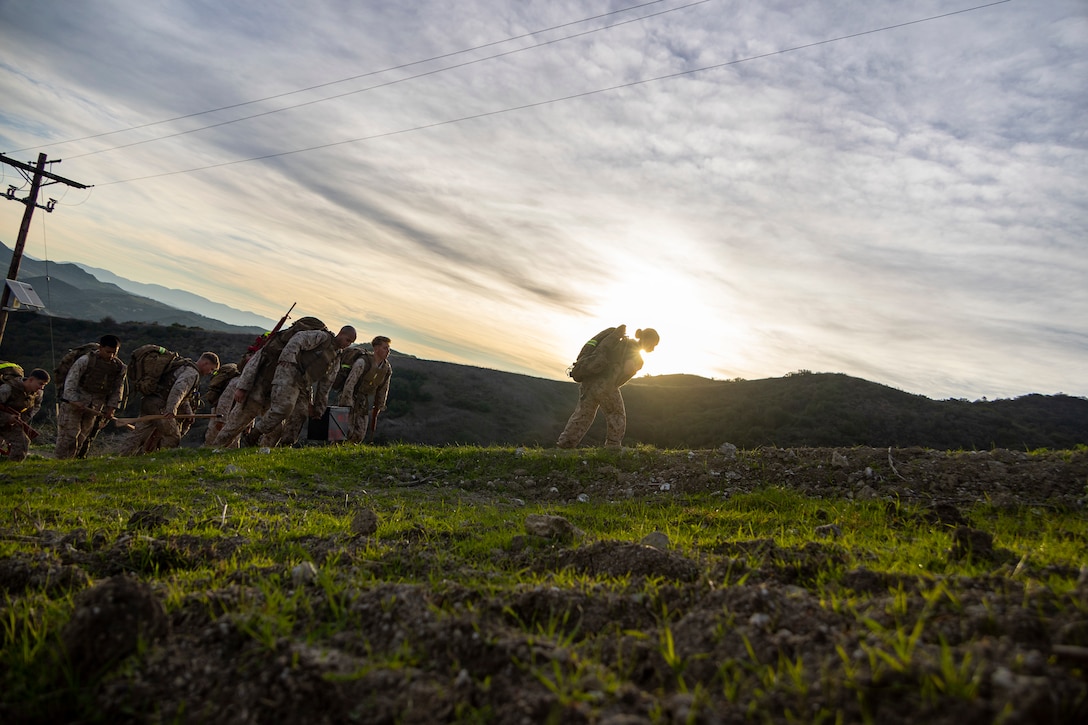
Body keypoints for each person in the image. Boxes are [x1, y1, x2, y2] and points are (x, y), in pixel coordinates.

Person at [223, 325, 356, 448]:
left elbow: (326, 384)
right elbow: (298, 339)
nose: (347, 344)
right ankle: (254, 434)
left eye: (350, 342)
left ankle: (285, 445)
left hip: (303, 383)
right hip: (289, 372)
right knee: (283, 408)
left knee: (300, 414)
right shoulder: (322, 337)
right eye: (347, 339)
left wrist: (318, 408)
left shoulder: (335, 358)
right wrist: (287, 361)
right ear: (340, 333)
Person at [556, 327, 659, 449]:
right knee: (616, 414)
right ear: (647, 340)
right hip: (605, 385)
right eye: (653, 344)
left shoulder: (620, 343)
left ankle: (565, 444)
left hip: (588, 382)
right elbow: (628, 368)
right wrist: (637, 367)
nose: (653, 349)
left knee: (583, 415)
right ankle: (613, 446)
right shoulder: (633, 350)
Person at [122, 352, 220, 454]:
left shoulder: (184, 366)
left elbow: (184, 397)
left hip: (150, 402)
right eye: (212, 369)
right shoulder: (192, 373)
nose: (210, 372)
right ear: (205, 363)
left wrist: (189, 412)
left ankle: (121, 456)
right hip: (161, 406)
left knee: (139, 434)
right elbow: (178, 390)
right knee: (172, 436)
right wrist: (171, 409)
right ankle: (159, 459)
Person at [55, 335, 127, 459]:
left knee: (83, 436)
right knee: (69, 435)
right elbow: (72, 380)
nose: (111, 355)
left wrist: (111, 408)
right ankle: (60, 461)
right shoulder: (85, 360)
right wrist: (73, 399)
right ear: (100, 347)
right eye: (108, 352)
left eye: (114, 353)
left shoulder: (119, 367)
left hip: (96, 405)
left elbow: (117, 389)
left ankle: (72, 462)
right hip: (75, 401)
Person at [338, 336, 392, 443]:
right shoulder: (362, 362)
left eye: (388, 348)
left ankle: (350, 453)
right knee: (342, 430)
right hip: (350, 396)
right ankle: (334, 451)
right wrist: (346, 403)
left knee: (359, 433)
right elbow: (350, 383)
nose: (388, 351)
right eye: (384, 348)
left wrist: (379, 406)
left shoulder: (386, 369)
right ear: (376, 348)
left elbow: (383, 389)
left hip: (363, 400)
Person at [0, 368, 49, 462]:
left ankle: (12, 469)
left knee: (22, 443)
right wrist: (7, 417)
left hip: (11, 423)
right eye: (40, 384)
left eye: (44, 385)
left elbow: (34, 408)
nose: (41, 388)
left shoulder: (36, 394)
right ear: (30, 380)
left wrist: (20, 420)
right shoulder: (7, 388)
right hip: (3, 419)